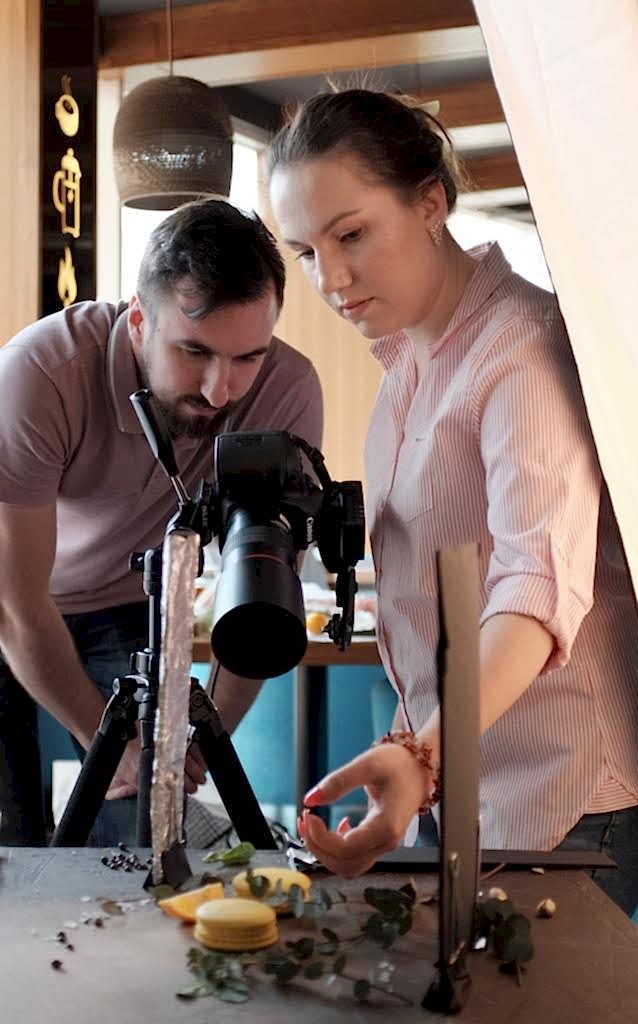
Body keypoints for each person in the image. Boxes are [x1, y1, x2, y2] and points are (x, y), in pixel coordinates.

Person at [267, 88, 638, 914]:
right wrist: (418, 760)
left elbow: (533, 590)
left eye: (351, 235)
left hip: (567, 793)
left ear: (430, 203)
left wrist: (423, 759)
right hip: (472, 781)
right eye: (305, 251)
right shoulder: (408, 363)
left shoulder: (521, 350)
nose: (330, 278)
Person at [0, 198, 323, 847]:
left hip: (123, 603)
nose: (219, 390)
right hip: (14, 599)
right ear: (138, 322)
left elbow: (260, 601)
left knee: (142, 832)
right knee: (12, 844)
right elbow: (16, 606)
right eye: (194, 351)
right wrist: (109, 747)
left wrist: (192, 748)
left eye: (247, 357)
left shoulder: (286, 389)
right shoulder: (41, 372)